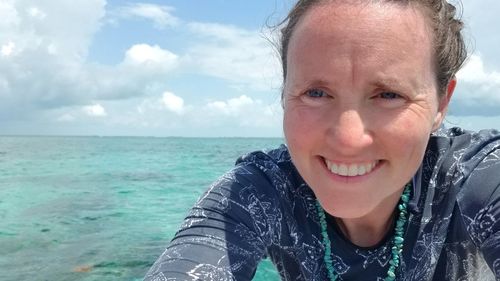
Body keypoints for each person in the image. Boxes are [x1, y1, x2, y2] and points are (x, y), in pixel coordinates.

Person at [144, 0, 500, 280]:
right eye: (316, 92)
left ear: (442, 102)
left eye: (389, 94)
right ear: (285, 93)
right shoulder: (260, 191)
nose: (348, 139)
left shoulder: (474, 175)